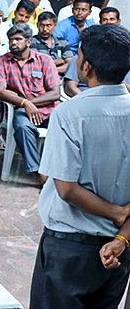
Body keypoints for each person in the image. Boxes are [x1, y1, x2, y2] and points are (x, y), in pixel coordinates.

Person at [31, 24, 130, 308]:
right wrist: (123, 235)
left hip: (70, 248)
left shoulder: (70, 113)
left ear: (86, 66)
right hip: (118, 248)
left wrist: (117, 212)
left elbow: (66, 189)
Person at [0, 23, 60, 182]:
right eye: (11, 39)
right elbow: (1, 92)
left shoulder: (44, 60)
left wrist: (29, 103)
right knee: (22, 127)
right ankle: (40, 173)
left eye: (18, 39)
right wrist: (25, 104)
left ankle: (62, 172)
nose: (13, 43)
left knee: (68, 127)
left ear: (29, 42)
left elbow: (55, 93)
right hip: (22, 111)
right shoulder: (1, 62)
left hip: (48, 109)